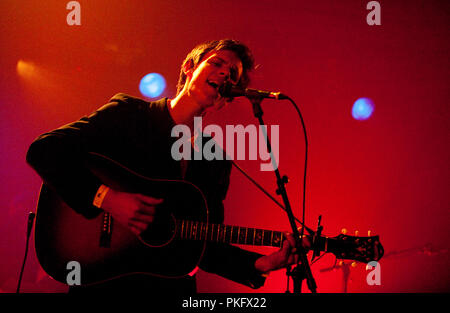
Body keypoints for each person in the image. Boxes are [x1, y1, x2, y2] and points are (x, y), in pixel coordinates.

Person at [26, 39, 304, 293]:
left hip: (168, 287)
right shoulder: (128, 114)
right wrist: (107, 198)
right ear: (189, 67)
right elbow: (44, 150)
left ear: (226, 100)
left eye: (232, 74)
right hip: (105, 282)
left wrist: (264, 264)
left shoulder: (214, 159)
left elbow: (204, 244)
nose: (224, 74)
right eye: (217, 63)